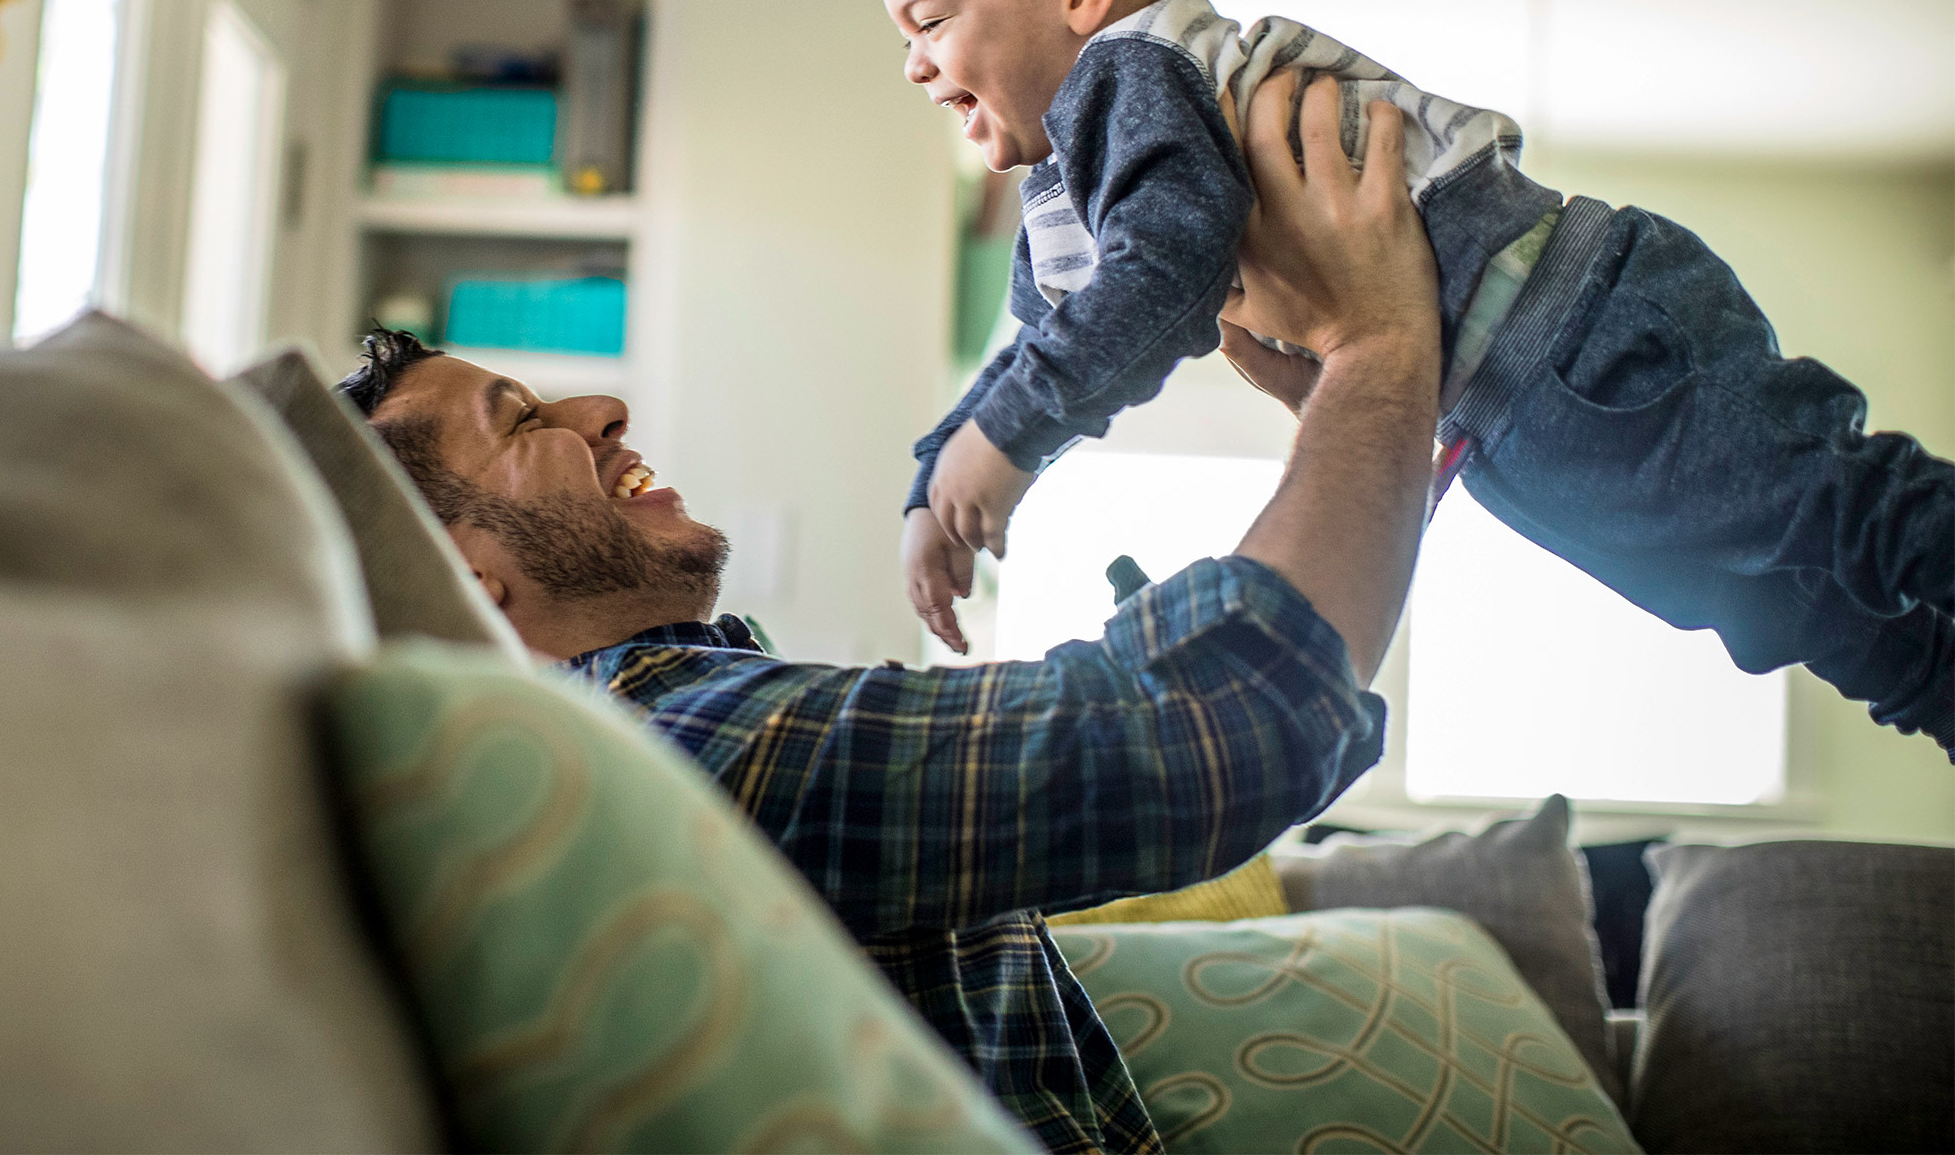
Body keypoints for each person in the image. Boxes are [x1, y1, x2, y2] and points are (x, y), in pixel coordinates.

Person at [337, 71, 1439, 1153]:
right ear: (462, 587)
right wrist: (1382, 349)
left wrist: (1370, 425)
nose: (603, 409)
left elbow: (1238, 715)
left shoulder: (677, 734)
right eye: (524, 421)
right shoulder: (683, 745)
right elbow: (1220, 728)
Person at [859, 0, 1955, 752]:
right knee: (1786, 606)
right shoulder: (1067, 171)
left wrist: (1003, 441)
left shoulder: (1129, 76)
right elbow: (1045, 338)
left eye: (932, 18)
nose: (913, 64)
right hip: (1515, 407)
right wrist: (939, 473)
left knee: (1847, 514)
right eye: (902, 37)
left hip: (1579, 333)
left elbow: (1166, 275)